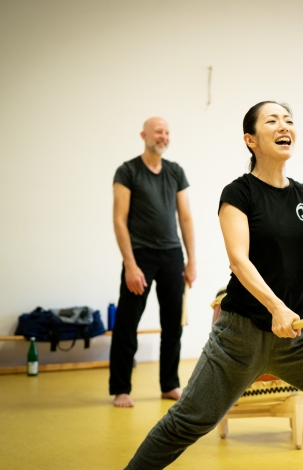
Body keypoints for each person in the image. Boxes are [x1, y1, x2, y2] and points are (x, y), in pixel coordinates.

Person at [125, 101, 303, 468]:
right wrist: (276, 307)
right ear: (251, 140)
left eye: (289, 121)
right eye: (272, 121)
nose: (283, 126)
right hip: (240, 336)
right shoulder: (239, 193)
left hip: (302, 335)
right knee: (189, 422)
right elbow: (238, 260)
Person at [109, 117, 196, 408]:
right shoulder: (128, 171)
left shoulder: (175, 172)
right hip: (140, 256)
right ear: (144, 135)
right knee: (126, 324)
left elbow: (185, 218)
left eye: (167, 132)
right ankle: (121, 389)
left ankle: (169, 384)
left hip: (172, 255)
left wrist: (191, 260)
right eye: (158, 131)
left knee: (173, 324)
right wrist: (131, 265)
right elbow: (119, 221)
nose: (163, 136)